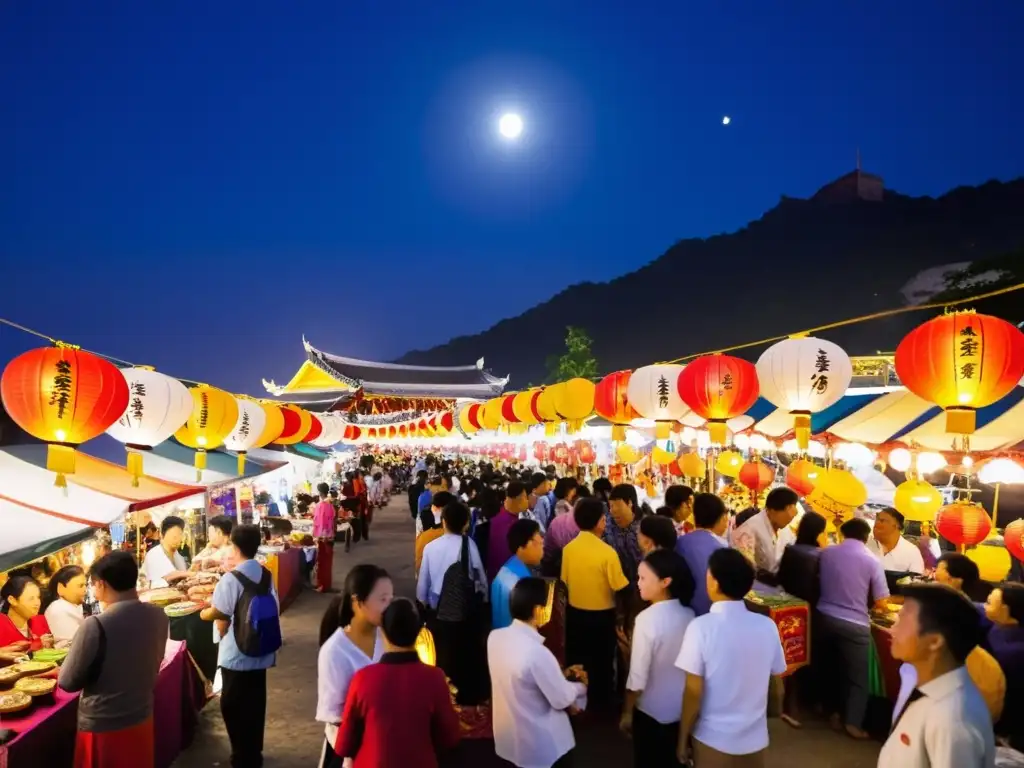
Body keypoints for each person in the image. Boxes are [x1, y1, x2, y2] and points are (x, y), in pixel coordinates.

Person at [675, 548, 787, 767]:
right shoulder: (767, 626)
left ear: (714, 583)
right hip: (755, 741)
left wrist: (681, 739)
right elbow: (778, 684)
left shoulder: (701, 628)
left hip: (713, 740)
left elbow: (693, 691)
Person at [58, 552, 169, 768]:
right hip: (141, 715)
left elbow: (67, 681)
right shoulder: (158, 615)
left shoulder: (96, 625)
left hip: (104, 724)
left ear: (100, 584)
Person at [335, 598, 461, 768]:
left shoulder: (363, 679)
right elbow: (450, 738)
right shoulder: (435, 678)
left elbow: (343, 746)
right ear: (418, 632)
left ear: (383, 632)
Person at [879, 584, 994, 767]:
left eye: (901, 621)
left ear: (935, 641)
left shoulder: (952, 721)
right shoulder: (931, 695)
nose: (892, 629)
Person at [200, 524, 283, 768]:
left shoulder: (231, 579)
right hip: (261, 651)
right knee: (256, 705)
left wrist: (206, 613)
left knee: (233, 706)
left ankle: (241, 756)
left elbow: (221, 620)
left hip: (237, 654)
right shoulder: (265, 574)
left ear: (234, 547)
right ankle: (253, 753)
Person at [488, 578, 588, 768]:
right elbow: (561, 699)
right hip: (543, 747)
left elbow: (523, 677)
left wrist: (560, 674)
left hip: (508, 741)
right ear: (537, 610)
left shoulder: (495, 638)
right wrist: (580, 686)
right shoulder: (537, 652)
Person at [815, 517, 890, 739]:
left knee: (832, 669)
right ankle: (853, 723)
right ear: (866, 537)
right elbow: (881, 602)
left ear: (842, 534)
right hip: (855, 624)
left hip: (824, 617)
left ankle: (832, 712)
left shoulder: (827, 553)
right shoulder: (872, 560)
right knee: (858, 677)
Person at [622, 549, 695, 768]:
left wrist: (627, 712)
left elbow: (637, 679)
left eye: (643, 578)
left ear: (665, 582)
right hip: (681, 712)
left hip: (651, 714)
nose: (638, 583)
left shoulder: (646, 620)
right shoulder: (690, 615)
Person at [316, 565, 392, 768]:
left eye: (390, 600)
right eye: (382, 600)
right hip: (347, 752)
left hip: (384, 748)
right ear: (358, 603)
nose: (388, 607)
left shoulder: (388, 639)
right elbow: (333, 714)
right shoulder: (335, 651)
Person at [561, 497, 629, 711]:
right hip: (602, 616)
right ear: (600, 521)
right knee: (602, 663)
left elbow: (564, 584)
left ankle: (578, 702)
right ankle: (602, 705)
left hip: (574, 614)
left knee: (579, 658)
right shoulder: (607, 553)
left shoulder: (569, 549)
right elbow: (621, 587)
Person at [417, 500, 489, 703]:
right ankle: (465, 702)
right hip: (464, 615)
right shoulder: (469, 545)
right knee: (464, 660)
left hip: (438, 616)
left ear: (444, 521)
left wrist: (424, 606)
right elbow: (481, 583)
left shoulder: (431, 548)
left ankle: (442, 700)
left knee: (442, 661)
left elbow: (422, 588)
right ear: (466, 523)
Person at [984, 581, 1024, 750]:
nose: (984, 606)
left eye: (989, 603)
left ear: (1005, 611)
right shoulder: (1002, 628)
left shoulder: (1012, 651)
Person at [674, 493, 729, 616]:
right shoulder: (723, 549)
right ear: (722, 518)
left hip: (681, 613)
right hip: (710, 615)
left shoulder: (680, 542)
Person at [730, 486, 800, 577]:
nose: (791, 518)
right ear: (772, 510)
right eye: (788, 511)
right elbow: (740, 567)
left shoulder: (784, 529)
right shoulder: (749, 529)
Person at [492, 519, 544, 630]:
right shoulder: (522, 584)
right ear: (524, 546)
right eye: (540, 544)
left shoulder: (506, 569)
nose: (542, 548)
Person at [776, 510, 828, 606]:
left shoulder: (790, 550)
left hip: (784, 603)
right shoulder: (821, 557)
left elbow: (780, 578)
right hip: (809, 608)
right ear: (819, 533)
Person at [488, 481, 530, 581]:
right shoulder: (506, 525)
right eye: (525, 497)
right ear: (516, 499)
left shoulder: (507, 518)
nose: (527, 501)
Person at [0, 575, 53, 652]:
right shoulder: (1, 624)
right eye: (31, 599)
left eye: (38, 597)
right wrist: (36, 645)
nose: (37, 603)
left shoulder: (40, 620)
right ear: (12, 600)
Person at [869, 507, 925, 575]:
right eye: (876, 520)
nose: (876, 524)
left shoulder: (912, 551)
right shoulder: (864, 544)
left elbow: (916, 580)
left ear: (896, 526)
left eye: (882, 521)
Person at [542, 477, 580, 577]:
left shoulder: (558, 501)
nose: (574, 493)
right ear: (568, 490)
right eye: (573, 490)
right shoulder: (561, 505)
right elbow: (564, 534)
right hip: (556, 557)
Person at [43, 564, 87, 647]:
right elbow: (72, 644)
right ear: (61, 588)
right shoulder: (57, 608)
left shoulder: (75, 606)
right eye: (80, 586)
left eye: (85, 585)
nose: (85, 589)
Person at [142, 515, 189, 587]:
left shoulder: (178, 555)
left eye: (179, 535)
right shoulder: (154, 554)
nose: (177, 539)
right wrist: (192, 574)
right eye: (173, 536)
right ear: (162, 535)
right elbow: (169, 575)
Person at [314, 482, 338, 592]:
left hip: (323, 538)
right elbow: (333, 521)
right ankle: (325, 584)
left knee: (322, 562)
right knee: (327, 562)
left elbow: (321, 523)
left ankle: (322, 585)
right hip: (329, 537)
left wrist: (321, 536)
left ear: (319, 492)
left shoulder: (321, 506)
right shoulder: (330, 505)